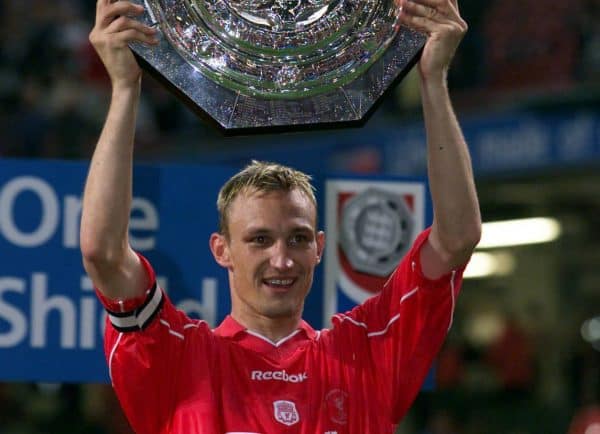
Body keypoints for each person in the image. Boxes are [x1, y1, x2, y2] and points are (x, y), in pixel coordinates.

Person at [81, 0, 481, 432]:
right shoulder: (179, 359)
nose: (282, 259)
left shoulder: (366, 352)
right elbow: (103, 254)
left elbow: (457, 238)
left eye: (298, 238)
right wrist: (125, 89)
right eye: (259, 239)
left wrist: (434, 79)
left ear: (320, 247)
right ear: (222, 250)